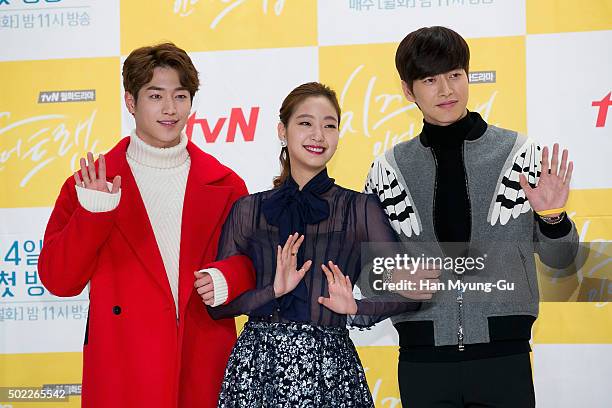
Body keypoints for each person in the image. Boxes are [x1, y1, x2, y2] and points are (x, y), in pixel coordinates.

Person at [364, 26, 579, 407]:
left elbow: (560, 260)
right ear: (408, 90)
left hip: (504, 358)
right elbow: (368, 273)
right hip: (422, 359)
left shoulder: (519, 153)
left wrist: (553, 218)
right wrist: (392, 277)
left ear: (467, 75)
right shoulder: (387, 170)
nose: (446, 90)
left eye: (454, 75)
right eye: (430, 79)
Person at [38, 42, 255, 408]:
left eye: (180, 96)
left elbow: (255, 261)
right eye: (156, 95)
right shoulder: (93, 182)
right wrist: (94, 213)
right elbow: (58, 279)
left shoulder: (225, 184)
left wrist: (227, 278)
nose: (170, 109)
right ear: (130, 101)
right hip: (123, 368)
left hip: (201, 362)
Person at [197, 82, 426, 407]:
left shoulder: (360, 209)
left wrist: (356, 307)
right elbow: (216, 306)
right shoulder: (248, 210)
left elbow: (412, 294)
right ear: (282, 130)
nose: (318, 134)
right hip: (257, 372)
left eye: (329, 125)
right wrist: (270, 291)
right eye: (305, 123)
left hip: (329, 371)